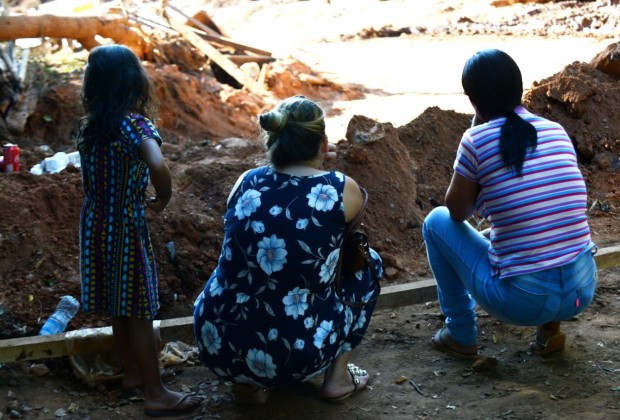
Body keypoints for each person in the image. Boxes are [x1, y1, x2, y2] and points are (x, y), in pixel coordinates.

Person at [193, 95, 382, 404]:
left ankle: (247, 382)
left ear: (272, 139)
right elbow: (342, 243)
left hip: (217, 341)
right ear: (323, 144)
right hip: (296, 353)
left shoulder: (246, 181)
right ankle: (337, 379)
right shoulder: (339, 188)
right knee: (366, 262)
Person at [422, 49, 597, 358]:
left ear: (473, 100)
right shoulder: (556, 131)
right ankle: (550, 331)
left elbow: (457, 212)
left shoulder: (476, 140)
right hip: (582, 291)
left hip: (524, 302)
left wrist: (474, 135)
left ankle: (461, 334)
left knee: (435, 222)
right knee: (543, 228)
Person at [77, 44, 202, 417]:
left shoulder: (90, 127)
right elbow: (157, 163)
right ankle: (155, 392)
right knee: (141, 310)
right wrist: (162, 198)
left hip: (96, 220)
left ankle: (133, 373)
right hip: (127, 225)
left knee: (119, 305)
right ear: (134, 83)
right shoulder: (135, 124)